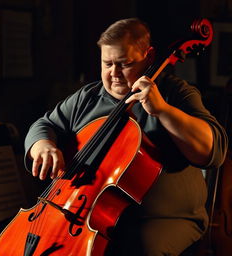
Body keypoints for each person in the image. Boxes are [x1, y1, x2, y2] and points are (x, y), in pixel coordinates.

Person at [24, 18, 228, 256]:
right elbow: (44, 124)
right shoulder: (87, 97)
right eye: (107, 64)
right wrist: (43, 145)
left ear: (149, 56)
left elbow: (213, 150)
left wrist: (163, 111)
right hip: (89, 213)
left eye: (124, 64)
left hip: (161, 219)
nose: (114, 74)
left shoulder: (175, 93)